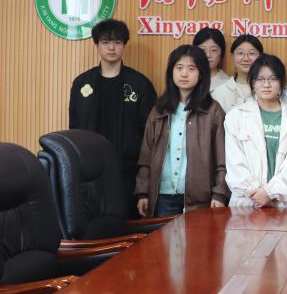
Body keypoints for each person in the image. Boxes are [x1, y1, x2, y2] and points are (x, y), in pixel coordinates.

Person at [69, 19, 155, 213]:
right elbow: (74, 127)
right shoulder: (82, 83)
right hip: (89, 171)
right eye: (105, 42)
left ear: (124, 45)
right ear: (96, 45)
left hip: (127, 172)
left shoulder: (140, 84)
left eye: (117, 42)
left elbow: (149, 134)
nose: (111, 47)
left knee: (125, 223)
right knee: (92, 221)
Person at [134, 46, 227, 217]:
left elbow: (223, 159)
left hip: (201, 200)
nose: (184, 73)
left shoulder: (213, 111)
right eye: (179, 68)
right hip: (163, 196)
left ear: (201, 74)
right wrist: (142, 192)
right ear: (171, 72)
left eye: (191, 68)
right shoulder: (159, 110)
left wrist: (220, 193)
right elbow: (146, 155)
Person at [224, 54, 287, 207]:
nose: (266, 84)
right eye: (260, 79)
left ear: (282, 83)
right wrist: (258, 193)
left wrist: (269, 193)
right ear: (252, 83)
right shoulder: (235, 116)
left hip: (283, 203)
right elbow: (235, 163)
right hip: (247, 201)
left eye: (273, 79)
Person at [211, 34, 262, 114]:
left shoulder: (267, 89)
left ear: (260, 57)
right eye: (240, 53)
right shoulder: (220, 92)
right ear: (233, 56)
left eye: (251, 53)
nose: (246, 58)